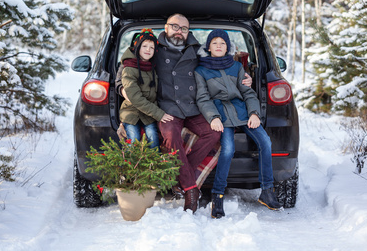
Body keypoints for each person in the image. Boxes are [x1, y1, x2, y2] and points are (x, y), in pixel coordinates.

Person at [116, 14, 252, 213]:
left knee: (213, 133)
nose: (179, 32)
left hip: (193, 106)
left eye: (184, 28)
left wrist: (244, 76)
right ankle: (190, 189)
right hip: (167, 107)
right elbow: (130, 62)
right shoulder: (154, 48)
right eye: (175, 27)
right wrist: (121, 87)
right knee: (171, 135)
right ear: (166, 28)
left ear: (189, 32)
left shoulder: (197, 51)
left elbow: (222, 62)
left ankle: (179, 176)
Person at [194, 29, 282, 219]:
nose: (218, 46)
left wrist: (254, 113)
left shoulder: (236, 67)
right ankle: (217, 196)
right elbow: (202, 98)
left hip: (242, 112)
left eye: (223, 43)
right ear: (208, 47)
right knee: (227, 150)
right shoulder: (200, 70)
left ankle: (267, 191)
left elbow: (248, 92)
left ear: (228, 47)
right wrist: (213, 117)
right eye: (215, 42)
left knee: (265, 142)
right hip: (221, 116)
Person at [119, 29, 174, 149]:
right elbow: (135, 98)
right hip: (131, 112)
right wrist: (159, 114)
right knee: (134, 140)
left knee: (153, 139)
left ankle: (154, 166)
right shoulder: (128, 69)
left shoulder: (153, 68)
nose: (148, 50)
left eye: (152, 47)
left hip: (148, 114)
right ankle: (132, 166)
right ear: (137, 47)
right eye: (144, 46)